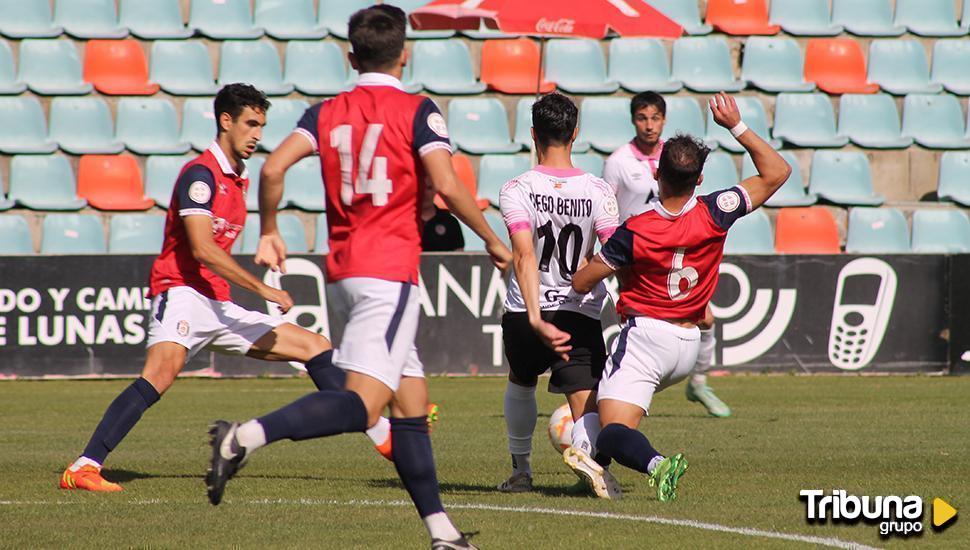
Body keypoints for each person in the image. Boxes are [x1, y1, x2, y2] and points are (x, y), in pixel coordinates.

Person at [204, 6, 511, 550]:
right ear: (405, 54)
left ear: (351, 57)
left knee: (410, 405)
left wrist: (270, 229)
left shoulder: (324, 113)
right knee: (363, 404)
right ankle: (242, 437)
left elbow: (272, 169)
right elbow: (446, 183)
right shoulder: (418, 111)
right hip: (388, 272)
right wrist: (491, 237)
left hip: (343, 271)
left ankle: (443, 533)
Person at [59, 84, 340, 492]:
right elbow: (202, 249)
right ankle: (83, 467)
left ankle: (383, 430)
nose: (258, 134)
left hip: (215, 301)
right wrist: (265, 289)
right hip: (181, 292)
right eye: (251, 123)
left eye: (262, 125)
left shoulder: (238, 180)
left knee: (313, 346)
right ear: (226, 121)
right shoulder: (200, 175)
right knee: (160, 373)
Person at [569, 93, 790, 501]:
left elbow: (583, 282)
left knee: (609, 425)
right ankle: (594, 474)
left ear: (657, 176)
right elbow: (777, 172)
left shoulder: (636, 229)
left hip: (646, 339)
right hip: (688, 345)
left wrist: (587, 262)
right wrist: (736, 126)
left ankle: (656, 464)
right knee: (611, 418)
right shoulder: (716, 211)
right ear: (700, 179)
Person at [497, 93, 620, 499]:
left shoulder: (517, 188)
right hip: (578, 312)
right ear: (575, 134)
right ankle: (587, 456)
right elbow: (612, 254)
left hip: (525, 311)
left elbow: (524, 253)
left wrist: (535, 316)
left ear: (533, 134)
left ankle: (521, 471)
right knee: (584, 400)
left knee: (521, 380)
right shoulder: (600, 191)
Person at [602, 91, 730, 418]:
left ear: (664, 120)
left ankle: (698, 383)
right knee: (637, 322)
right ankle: (619, 386)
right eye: (642, 118)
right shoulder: (618, 162)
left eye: (655, 118)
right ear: (633, 120)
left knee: (706, 318)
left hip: (674, 251)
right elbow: (606, 210)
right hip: (634, 253)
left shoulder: (677, 158)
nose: (649, 125)